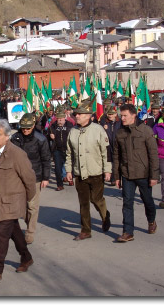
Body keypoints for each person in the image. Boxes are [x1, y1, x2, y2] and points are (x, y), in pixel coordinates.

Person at [0, 119, 37, 282]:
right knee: (13, 230)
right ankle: (26, 257)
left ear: (7, 136)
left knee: (2, 234)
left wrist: (27, 200)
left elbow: (30, 179)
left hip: (13, 201)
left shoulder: (17, 154)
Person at [66, 97, 112, 241]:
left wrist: (107, 170)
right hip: (80, 173)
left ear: (88, 116)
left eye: (79, 114)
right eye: (76, 114)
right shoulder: (72, 131)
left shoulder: (98, 130)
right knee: (84, 203)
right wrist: (68, 170)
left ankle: (105, 215)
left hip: (96, 172)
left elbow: (106, 152)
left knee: (96, 199)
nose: (76, 116)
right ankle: (86, 230)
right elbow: (69, 153)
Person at [113, 104, 159, 242]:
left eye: (125, 115)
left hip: (144, 174)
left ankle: (151, 221)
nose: (123, 118)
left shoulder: (145, 131)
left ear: (134, 115)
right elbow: (116, 156)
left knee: (148, 201)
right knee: (127, 203)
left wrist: (154, 176)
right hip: (127, 174)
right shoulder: (119, 133)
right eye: (121, 116)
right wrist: (117, 176)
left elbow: (153, 154)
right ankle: (128, 232)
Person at [11, 113, 51, 244]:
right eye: (23, 128)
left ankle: (30, 232)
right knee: (22, 206)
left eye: (28, 128)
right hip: (18, 178)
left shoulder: (41, 139)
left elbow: (46, 159)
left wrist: (46, 177)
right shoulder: (15, 138)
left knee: (32, 206)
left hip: (35, 177)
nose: (25, 130)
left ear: (33, 126)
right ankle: (29, 221)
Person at [49, 106, 74, 191]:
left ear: (64, 118)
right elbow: (47, 135)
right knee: (57, 168)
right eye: (58, 119)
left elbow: (73, 134)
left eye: (61, 119)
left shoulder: (69, 125)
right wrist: (50, 136)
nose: (59, 120)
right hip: (57, 149)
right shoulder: (53, 126)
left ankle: (70, 179)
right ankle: (59, 185)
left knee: (69, 166)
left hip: (68, 149)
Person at [99, 105, 121, 185]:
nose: (110, 116)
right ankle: (112, 178)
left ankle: (116, 177)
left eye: (112, 114)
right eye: (109, 114)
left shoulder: (119, 122)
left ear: (115, 114)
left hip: (117, 144)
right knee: (109, 161)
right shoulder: (104, 122)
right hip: (107, 145)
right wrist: (102, 127)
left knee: (116, 162)